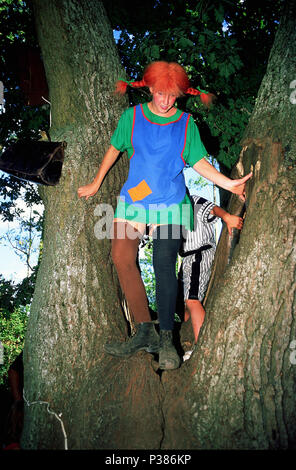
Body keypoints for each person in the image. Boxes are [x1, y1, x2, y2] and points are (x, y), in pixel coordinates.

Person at [77, 61, 252, 370]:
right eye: (159, 93)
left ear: (179, 95)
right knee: (120, 256)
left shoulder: (186, 124)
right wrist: (95, 182)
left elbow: (199, 162)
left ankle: (167, 339)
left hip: (170, 202)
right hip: (135, 199)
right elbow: (114, 149)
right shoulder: (131, 118)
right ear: (149, 88)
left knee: (163, 262)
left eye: (172, 96)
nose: (165, 101)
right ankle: (145, 330)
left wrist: (229, 184)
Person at [179, 196, 243, 361]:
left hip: (199, 254)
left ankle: (202, 348)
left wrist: (227, 217)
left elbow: (212, 209)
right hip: (186, 260)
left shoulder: (193, 201)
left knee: (192, 300)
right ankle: (192, 340)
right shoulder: (170, 211)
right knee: (184, 305)